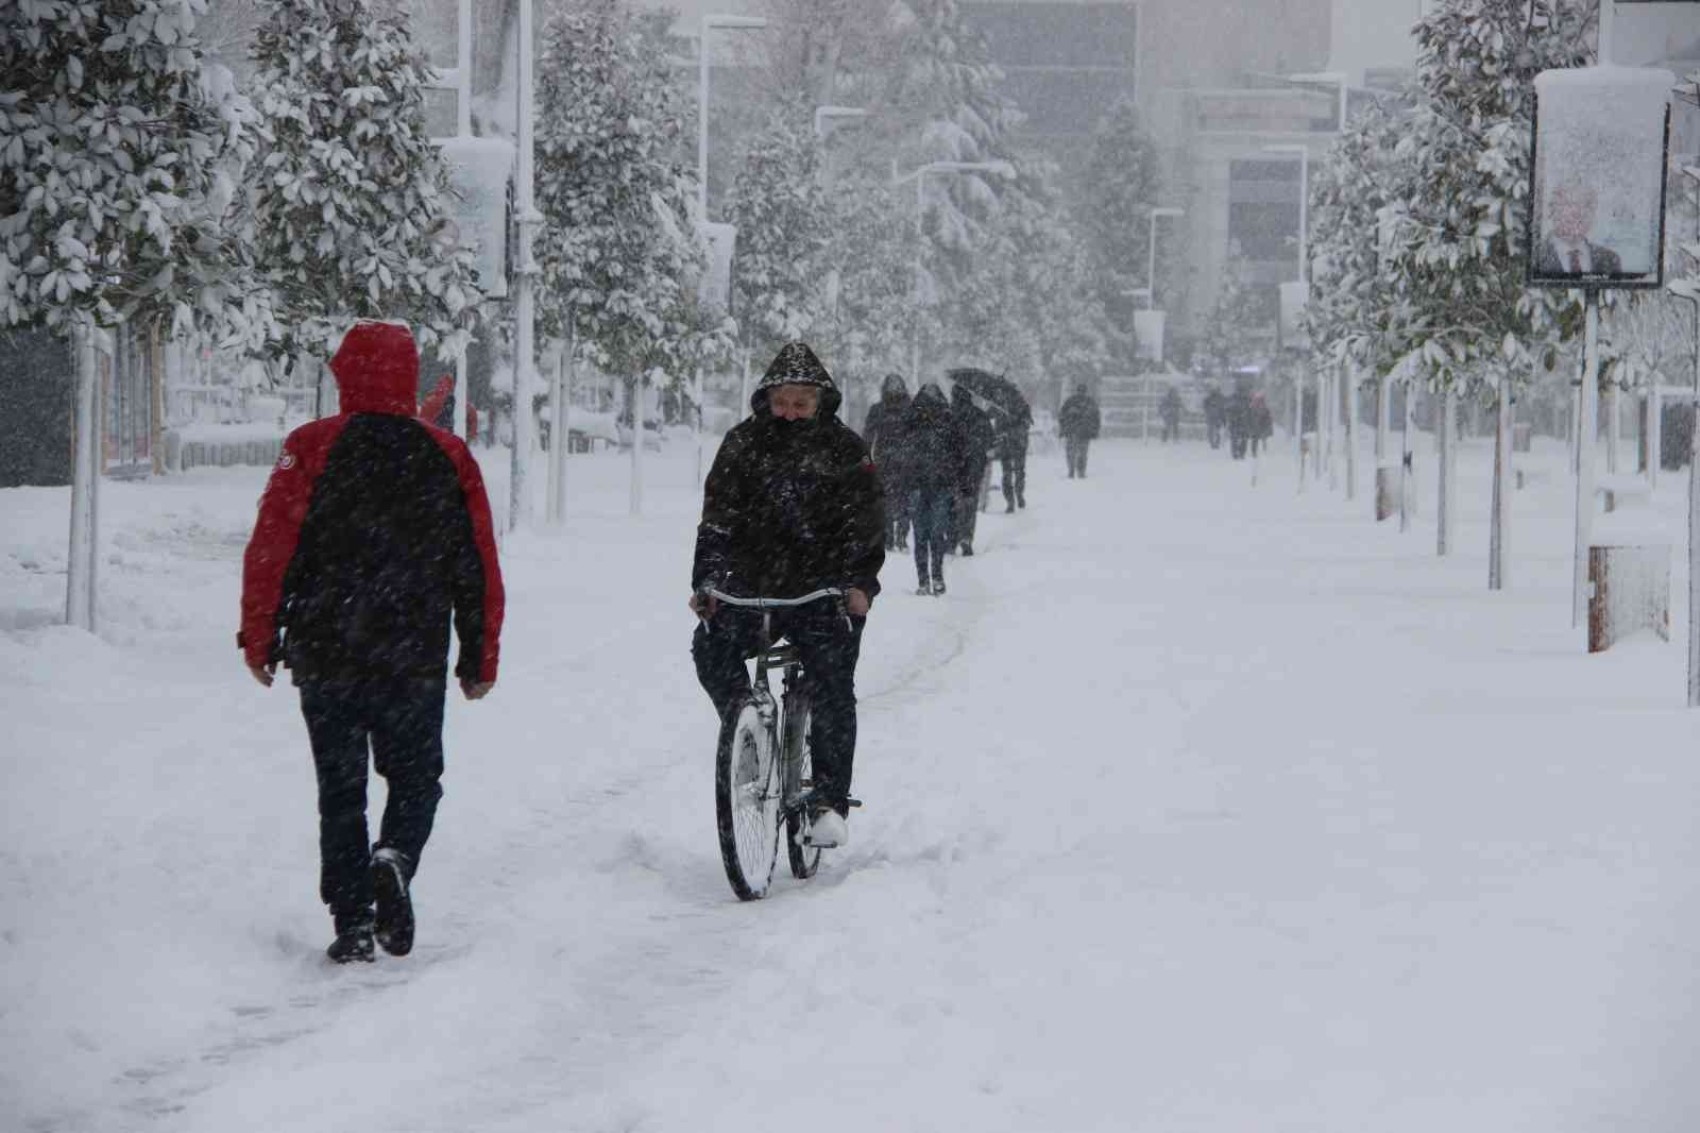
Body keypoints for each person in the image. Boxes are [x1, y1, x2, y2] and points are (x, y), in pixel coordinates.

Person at [239, 320, 504, 965]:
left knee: (340, 786)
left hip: (326, 644)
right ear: (408, 375)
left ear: (342, 376)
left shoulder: (309, 447)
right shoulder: (447, 455)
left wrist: (259, 633)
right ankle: (396, 857)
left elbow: (271, 547)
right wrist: (479, 654)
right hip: (410, 646)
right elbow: (476, 563)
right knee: (417, 777)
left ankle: (352, 918)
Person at [689, 342, 885, 849]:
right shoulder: (741, 445)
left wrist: (859, 585)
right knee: (709, 646)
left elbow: (866, 524)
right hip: (749, 592)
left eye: (801, 403)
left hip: (822, 594)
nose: (791, 412)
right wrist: (706, 584)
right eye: (783, 402)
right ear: (766, 398)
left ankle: (826, 801)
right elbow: (716, 522)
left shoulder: (845, 450)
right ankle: (748, 741)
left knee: (832, 685)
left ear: (820, 401)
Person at [893, 381, 966, 595]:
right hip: (932, 485)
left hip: (925, 485)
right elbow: (960, 453)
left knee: (925, 535)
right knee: (933, 534)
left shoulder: (915, 421)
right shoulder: (944, 420)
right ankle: (933, 578)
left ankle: (926, 579)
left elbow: (901, 456)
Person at [860, 373, 912, 551]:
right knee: (886, 502)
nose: (894, 389)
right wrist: (867, 463)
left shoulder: (911, 409)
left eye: (897, 385)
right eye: (892, 385)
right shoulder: (877, 410)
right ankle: (889, 537)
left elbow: (918, 437)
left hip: (906, 464)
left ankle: (901, 537)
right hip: (885, 464)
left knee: (904, 502)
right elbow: (866, 439)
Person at [1535, 182, 1623, 277]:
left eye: (1587, 205)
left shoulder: (1609, 259)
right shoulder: (1535, 257)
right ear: (1552, 210)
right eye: (1569, 204)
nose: (1578, 212)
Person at [950, 384, 995, 555]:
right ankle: (966, 537)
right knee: (970, 501)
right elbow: (990, 441)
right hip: (974, 465)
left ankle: (952, 538)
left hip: (952, 465)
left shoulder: (947, 414)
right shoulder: (979, 415)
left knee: (952, 502)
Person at [993, 399, 1030, 513]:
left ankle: (1016, 497)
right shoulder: (999, 406)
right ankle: (1012, 500)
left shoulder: (1022, 406)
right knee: (1011, 473)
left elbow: (1026, 424)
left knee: (1013, 473)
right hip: (1011, 445)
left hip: (1015, 445)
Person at [1058, 381, 1101, 479]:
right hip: (1084, 432)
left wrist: (1063, 429)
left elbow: (1062, 416)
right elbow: (1096, 418)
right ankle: (1080, 472)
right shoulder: (1090, 402)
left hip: (1072, 431)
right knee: (1082, 453)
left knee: (1071, 452)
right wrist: (1095, 431)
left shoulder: (1070, 401)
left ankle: (1071, 470)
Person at [1226, 381, 1253, 460]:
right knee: (1240, 438)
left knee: (1237, 438)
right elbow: (1250, 411)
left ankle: (1237, 453)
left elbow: (1250, 411)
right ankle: (1240, 453)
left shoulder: (1235, 398)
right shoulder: (1246, 399)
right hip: (1239, 422)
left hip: (1237, 422)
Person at [1249, 391, 1274, 457]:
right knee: (1262, 438)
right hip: (1261, 425)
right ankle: (1262, 449)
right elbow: (1268, 417)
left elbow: (1251, 415)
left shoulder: (1253, 405)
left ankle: (1254, 452)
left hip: (1257, 425)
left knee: (1255, 439)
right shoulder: (1263, 406)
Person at [1203, 385, 1226, 450]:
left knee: (1215, 431)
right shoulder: (1211, 398)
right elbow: (1205, 406)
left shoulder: (1221, 398)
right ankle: (1214, 443)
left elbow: (1223, 408)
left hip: (1215, 416)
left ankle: (1215, 443)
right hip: (1214, 416)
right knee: (1213, 431)